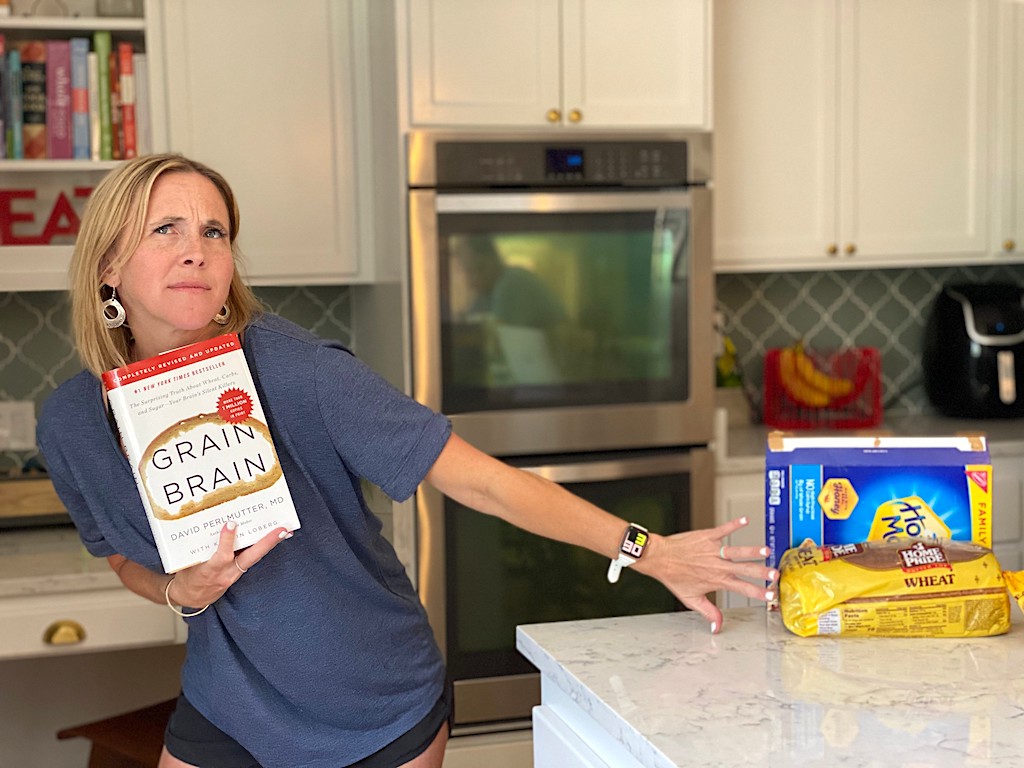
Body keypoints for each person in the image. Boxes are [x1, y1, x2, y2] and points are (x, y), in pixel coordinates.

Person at [37, 154, 776, 768]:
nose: (196, 248)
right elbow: (123, 561)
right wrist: (181, 589)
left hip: (375, 703)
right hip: (228, 702)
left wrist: (649, 552)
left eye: (215, 231)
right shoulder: (73, 424)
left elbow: (485, 483)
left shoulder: (297, 371)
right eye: (165, 229)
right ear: (108, 265)